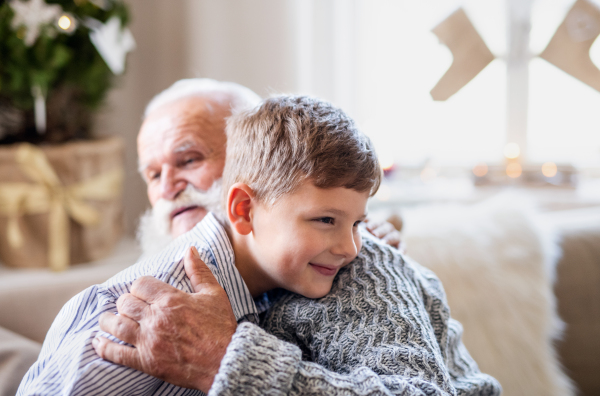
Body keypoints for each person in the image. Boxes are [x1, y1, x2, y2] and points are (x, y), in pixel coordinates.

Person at [19, 95, 499, 395]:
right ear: (244, 208)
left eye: (190, 158)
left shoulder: (354, 268)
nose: (168, 186)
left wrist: (232, 360)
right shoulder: (156, 304)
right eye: (152, 173)